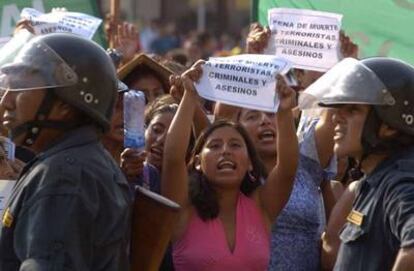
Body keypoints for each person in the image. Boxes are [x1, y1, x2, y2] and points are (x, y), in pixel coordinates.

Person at [0, 33, 131, 270]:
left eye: (19, 88)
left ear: (63, 106)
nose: (6, 102)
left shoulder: (64, 176)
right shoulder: (72, 162)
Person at [162, 61, 298, 270]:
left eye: (235, 145)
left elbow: (288, 168)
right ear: (197, 162)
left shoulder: (262, 206)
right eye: (214, 146)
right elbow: (172, 159)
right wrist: (190, 96)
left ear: (251, 163)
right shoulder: (184, 209)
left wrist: (284, 111)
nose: (225, 150)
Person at [300, 57, 414, 270]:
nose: (336, 118)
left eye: (352, 110)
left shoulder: (399, 182)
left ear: (388, 126)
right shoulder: (375, 180)